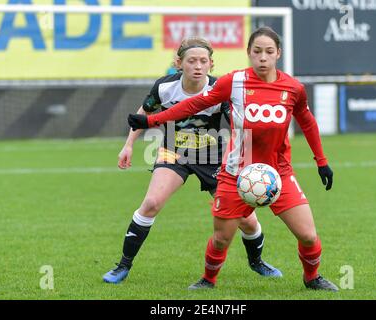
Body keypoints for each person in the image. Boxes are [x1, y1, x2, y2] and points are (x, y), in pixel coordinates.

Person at [128, 27, 339, 291]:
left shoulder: (293, 88)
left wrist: (321, 161)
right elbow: (194, 104)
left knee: (308, 235)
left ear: (278, 54)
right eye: (257, 51)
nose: (263, 57)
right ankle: (208, 280)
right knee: (221, 239)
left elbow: (307, 122)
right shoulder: (234, 82)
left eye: (269, 52)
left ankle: (312, 278)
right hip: (236, 172)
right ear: (249, 53)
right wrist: (151, 120)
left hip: (279, 173)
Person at [103, 36, 282, 284]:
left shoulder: (220, 89)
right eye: (192, 61)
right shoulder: (165, 87)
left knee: (246, 220)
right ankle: (122, 266)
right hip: (173, 152)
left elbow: (239, 126)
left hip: (213, 157)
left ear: (211, 64)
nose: (198, 66)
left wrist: (249, 158)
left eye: (203, 61)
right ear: (179, 63)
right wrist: (129, 144)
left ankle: (257, 262)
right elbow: (144, 112)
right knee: (152, 202)